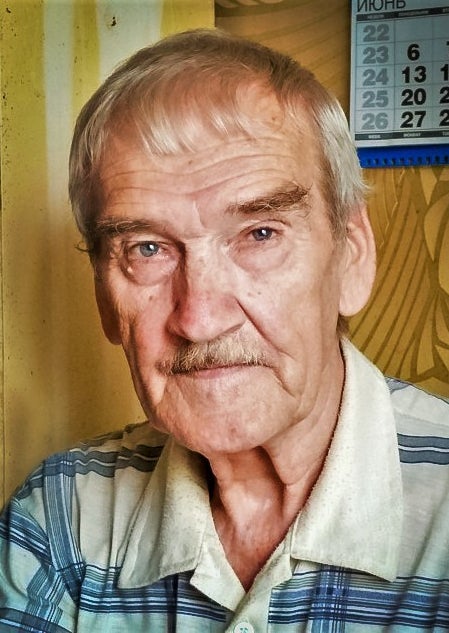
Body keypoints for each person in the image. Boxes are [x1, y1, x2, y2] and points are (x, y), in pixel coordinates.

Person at [1, 28, 448, 633]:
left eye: (260, 234)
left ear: (352, 256)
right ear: (106, 301)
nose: (199, 317)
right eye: (148, 248)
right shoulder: (62, 518)